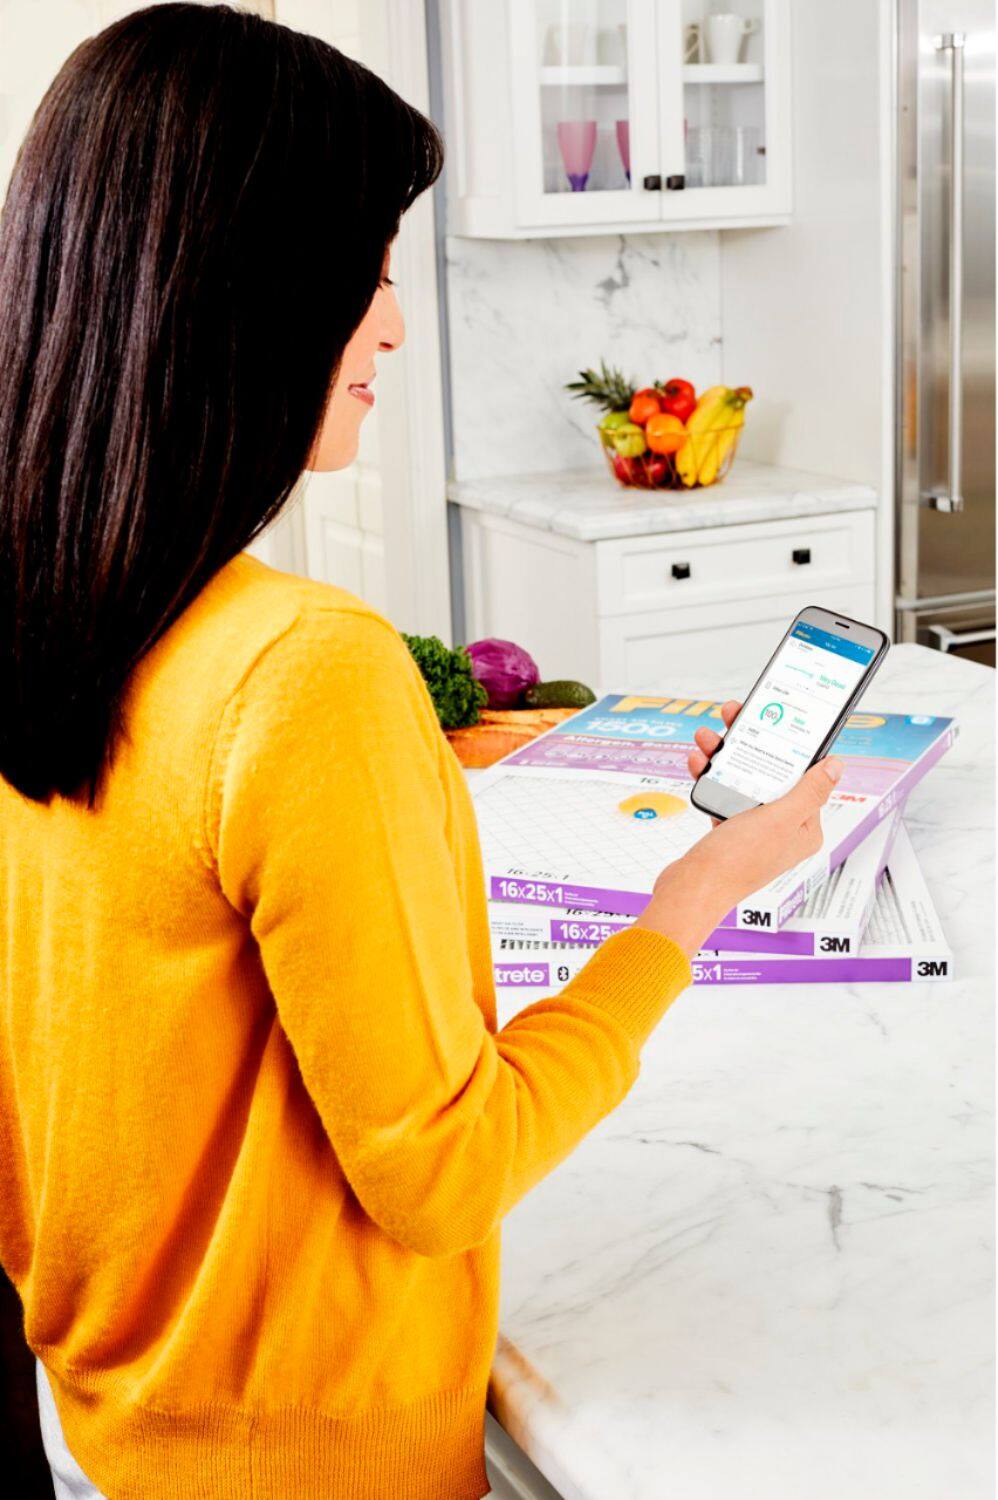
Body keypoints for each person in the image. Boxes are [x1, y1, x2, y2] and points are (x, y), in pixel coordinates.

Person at [0, 5, 841, 1498]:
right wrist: (690, 905)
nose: (391, 326)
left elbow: (177, 928)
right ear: (244, 291)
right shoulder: (303, 668)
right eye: (372, 273)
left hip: (124, 1422)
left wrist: (571, 754)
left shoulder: (63, 615)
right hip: (323, 1461)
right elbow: (444, 1173)